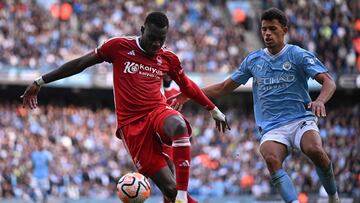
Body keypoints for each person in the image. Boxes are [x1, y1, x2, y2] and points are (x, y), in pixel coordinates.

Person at [21, 11, 230, 203]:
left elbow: (188, 86)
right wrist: (40, 81)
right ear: (142, 30)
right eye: (153, 37)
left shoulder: (168, 58)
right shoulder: (119, 46)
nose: (157, 43)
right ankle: (179, 195)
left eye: (162, 39)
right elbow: (80, 64)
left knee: (178, 126)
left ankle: (182, 196)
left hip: (157, 111)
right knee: (170, 190)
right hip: (132, 126)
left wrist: (214, 110)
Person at [169, 8, 339, 203]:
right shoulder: (254, 60)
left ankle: (333, 197)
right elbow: (224, 87)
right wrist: (188, 94)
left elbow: (329, 82)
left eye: (272, 29)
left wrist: (319, 101)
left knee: (315, 150)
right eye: (264, 29)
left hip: (300, 119)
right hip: (272, 127)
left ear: (284, 30)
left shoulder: (297, 55)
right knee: (271, 158)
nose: (267, 33)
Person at [30, 136, 53, 203]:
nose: (41, 145)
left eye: (42, 143)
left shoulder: (47, 154)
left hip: (44, 175)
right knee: (33, 189)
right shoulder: (34, 154)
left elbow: (50, 165)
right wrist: (31, 173)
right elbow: (33, 165)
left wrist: (49, 174)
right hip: (35, 175)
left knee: (44, 192)